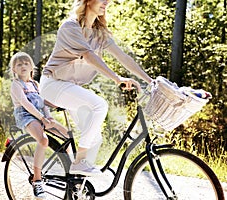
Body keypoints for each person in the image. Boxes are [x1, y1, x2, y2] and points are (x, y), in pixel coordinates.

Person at [39, 0, 153, 176]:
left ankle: (77, 184)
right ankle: (79, 163)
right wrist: (116, 78)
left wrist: (150, 80)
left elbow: (123, 57)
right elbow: (89, 56)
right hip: (53, 84)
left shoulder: (99, 33)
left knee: (94, 138)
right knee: (100, 105)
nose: (106, 2)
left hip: (70, 87)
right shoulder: (71, 27)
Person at [9, 51, 68, 199]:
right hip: (26, 116)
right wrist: (42, 118)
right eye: (19, 64)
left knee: (67, 135)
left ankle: (68, 167)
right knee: (43, 140)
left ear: (31, 67)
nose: (23, 66)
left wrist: (48, 116)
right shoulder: (16, 85)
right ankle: (37, 180)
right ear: (14, 70)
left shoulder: (35, 84)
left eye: (26, 63)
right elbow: (26, 103)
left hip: (41, 116)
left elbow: (42, 102)